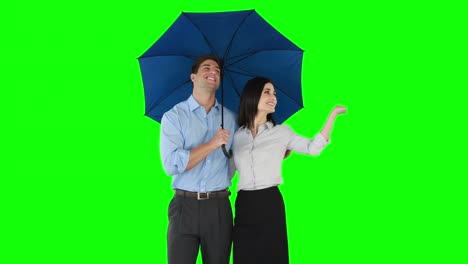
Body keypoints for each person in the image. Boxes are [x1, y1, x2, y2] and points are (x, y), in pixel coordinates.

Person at [232, 77, 346, 264]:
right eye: (267, 92)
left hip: (269, 201)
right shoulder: (237, 136)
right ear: (252, 96)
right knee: (244, 256)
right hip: (244, 203)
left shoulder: (282, 132)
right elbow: (230, 171)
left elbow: (313, 148)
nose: (273, 97)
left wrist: (332, 115)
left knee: (272, 256)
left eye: (274, 93)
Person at [160, 55, 237, 264]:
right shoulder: (174, 117)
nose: (213, 71)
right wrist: (212, 144)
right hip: (184, 207)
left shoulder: (231, 119)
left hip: (219, 207)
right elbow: (171, 164)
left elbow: (235, 160)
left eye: (218, 70)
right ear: (193, 77)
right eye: (207, 67)